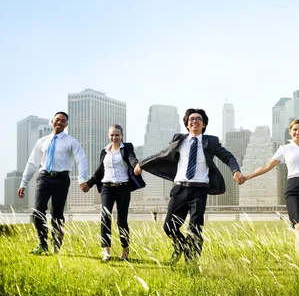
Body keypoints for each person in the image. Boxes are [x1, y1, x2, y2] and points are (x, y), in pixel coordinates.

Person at [134, 108, 243, 265]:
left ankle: (191, 263)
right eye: (191, 119)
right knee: (168, 226)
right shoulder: (179, 140)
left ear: (204, 124)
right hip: (179, 189)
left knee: (195, 228)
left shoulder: (210, 142)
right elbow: (161, 154)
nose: (194, 121)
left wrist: (236, 170)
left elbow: (228, 157)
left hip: (199, 190)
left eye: (198, 119)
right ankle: (180, 246)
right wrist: (142, 164)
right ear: (186, 124)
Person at [242, 119, 299, 261]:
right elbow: (267, 166)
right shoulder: (284, 149)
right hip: (295, 189)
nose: (297, 132)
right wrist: (247, 177)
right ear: (290, 131)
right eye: (295, 130)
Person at [17, 111, 88, 255]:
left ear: (66, 124)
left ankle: (56, 246)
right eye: (57, 120)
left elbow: (81, 159)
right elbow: (32, 163)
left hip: (62, 180)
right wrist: (23, 182)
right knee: (38, 211)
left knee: (57, 214)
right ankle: (42, 244)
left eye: (63, 121)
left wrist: (82, 180)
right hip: (43, 178)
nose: (59, 122)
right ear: (52, 121)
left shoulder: (71, 141)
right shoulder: (42, 141)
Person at [83, 124, 146, 262]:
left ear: (122, 135)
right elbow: (100, 171)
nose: (114, 137)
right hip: (107, 187)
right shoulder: (104, 151)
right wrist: (89, 183)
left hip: (123, 187)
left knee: (121, 220)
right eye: (112, 135)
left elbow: (132, 158)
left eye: (117, 135)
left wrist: (136, 166)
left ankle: (125, 248)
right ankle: (106, 252)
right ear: (108, 135)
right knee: (105, 218)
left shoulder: (127, 148)